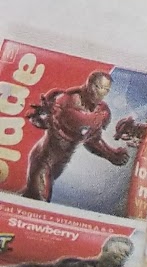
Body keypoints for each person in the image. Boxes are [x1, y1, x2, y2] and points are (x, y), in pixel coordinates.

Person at [21, 70, 140, 202]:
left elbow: (92, 140)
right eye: (98, 87)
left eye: (106, 89)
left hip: (58, 166)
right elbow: (41, 121)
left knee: (31, 197)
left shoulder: (102, 111)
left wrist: (111, 154)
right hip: (43, 161)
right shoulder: (65, 100)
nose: (101, 92)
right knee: (40, 200)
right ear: (89, 84)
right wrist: (40, 117)